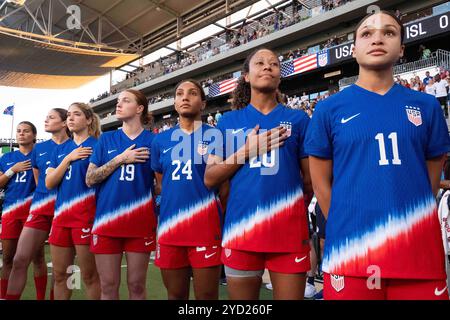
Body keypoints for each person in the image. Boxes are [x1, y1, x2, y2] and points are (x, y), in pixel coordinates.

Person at [305, 10, 450, 300]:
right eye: (367, 33)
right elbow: (320, 183)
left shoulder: (427, 106)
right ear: (355, 49)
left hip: (417, 248)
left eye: (389, 32)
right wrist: (347, 225)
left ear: (401, 49)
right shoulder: (328, 110)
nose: (378, 39)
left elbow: (430, 178)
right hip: (352, 249)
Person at [204, 47, 312, 300]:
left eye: (273, 64)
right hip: (241, 230)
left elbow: (309, 180)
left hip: (288, 231)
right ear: (246, 76)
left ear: (279, 76)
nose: (267, 67)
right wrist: (247, 151)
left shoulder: (298, 119)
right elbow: (210, 177)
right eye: (260, 63)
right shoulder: (227, 122)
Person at [151, 79, 222, 300]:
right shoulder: (160, 141)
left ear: (202, 103)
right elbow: (162, 184)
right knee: (175, 296)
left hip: (206, 227)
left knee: (207, 298)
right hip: (171, 229)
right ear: (174, 103)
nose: (185, 97)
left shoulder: (217, 136)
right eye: (180, 93)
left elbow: (224, 186)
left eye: (192, 93)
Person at [85, 89, 157, 300]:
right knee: (108, 286)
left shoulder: (154, 141)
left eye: (125, 101)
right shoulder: (106, 139)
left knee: (136, 286)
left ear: (140, 108)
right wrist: (120, 159)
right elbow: (90, 179)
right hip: (107, 222)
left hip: (140, 222)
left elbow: (161, 184)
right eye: (118, 101)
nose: (119, 104)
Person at [6, 109, 70, 300]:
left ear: (64, 123)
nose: (45, 120)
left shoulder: (76, 146)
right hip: (40, 209)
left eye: (51, 117)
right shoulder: (39, 150)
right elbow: (39, 181)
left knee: (63, 269)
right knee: (19, 260)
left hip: (66, 210)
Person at [45, 103, 101, 300]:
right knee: (61, 275)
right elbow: (49, 182)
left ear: (88, 120)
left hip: (86, 218)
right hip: (61, 219)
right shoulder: (61, 150)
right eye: (68, 115)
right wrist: (68, 158)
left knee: (89, 276)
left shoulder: (98, 145)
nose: (70, 118)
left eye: (76, 114)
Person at [0, 122, 39, 299]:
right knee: (8, 258)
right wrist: (11, 171)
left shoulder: (40, 155)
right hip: (11, 212)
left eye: (26, 131)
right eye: (19, 131)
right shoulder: (7, 158)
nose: (21, 134)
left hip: (34, 212)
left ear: (34, 135)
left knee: (37, 258)